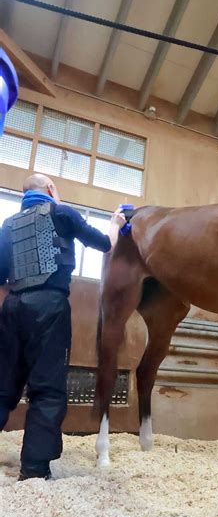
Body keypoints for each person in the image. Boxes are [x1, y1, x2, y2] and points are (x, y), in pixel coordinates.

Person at [0, 173, 126, 480]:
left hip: (13, 305)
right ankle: (33, 469)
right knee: (46, 389)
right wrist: (115, 224)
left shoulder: (9, 224)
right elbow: (105, 245)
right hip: (49, 307)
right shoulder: (63, 212)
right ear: (52, 189)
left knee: (2, 386)